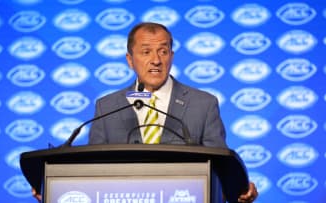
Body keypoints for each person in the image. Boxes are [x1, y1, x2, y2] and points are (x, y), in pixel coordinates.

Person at [32, 22, 258, 203]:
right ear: (130, 60)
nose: (156, 60)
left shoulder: (203, 104)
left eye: (163, 51)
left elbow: (220, 167)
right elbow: (92, 168)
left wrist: (236, 191)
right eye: (146, 51)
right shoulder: (107, 106)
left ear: (171, 55)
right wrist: (56, 185)